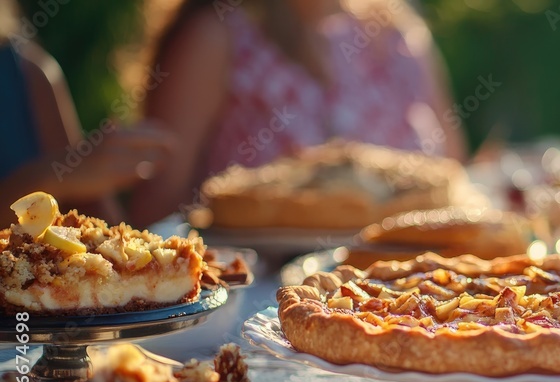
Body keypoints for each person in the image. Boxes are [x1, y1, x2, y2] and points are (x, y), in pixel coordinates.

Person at [130, 0, 465, 227]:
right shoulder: (216, 35)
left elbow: (455, 169)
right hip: (259, 312)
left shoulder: (395, 29)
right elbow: (156, 214)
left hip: (416, 293)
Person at [0, 0, 173, 223]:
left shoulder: (29, 73)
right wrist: (48, 178)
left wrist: (96, 167)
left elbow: (98, 221)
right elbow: (66, 177)